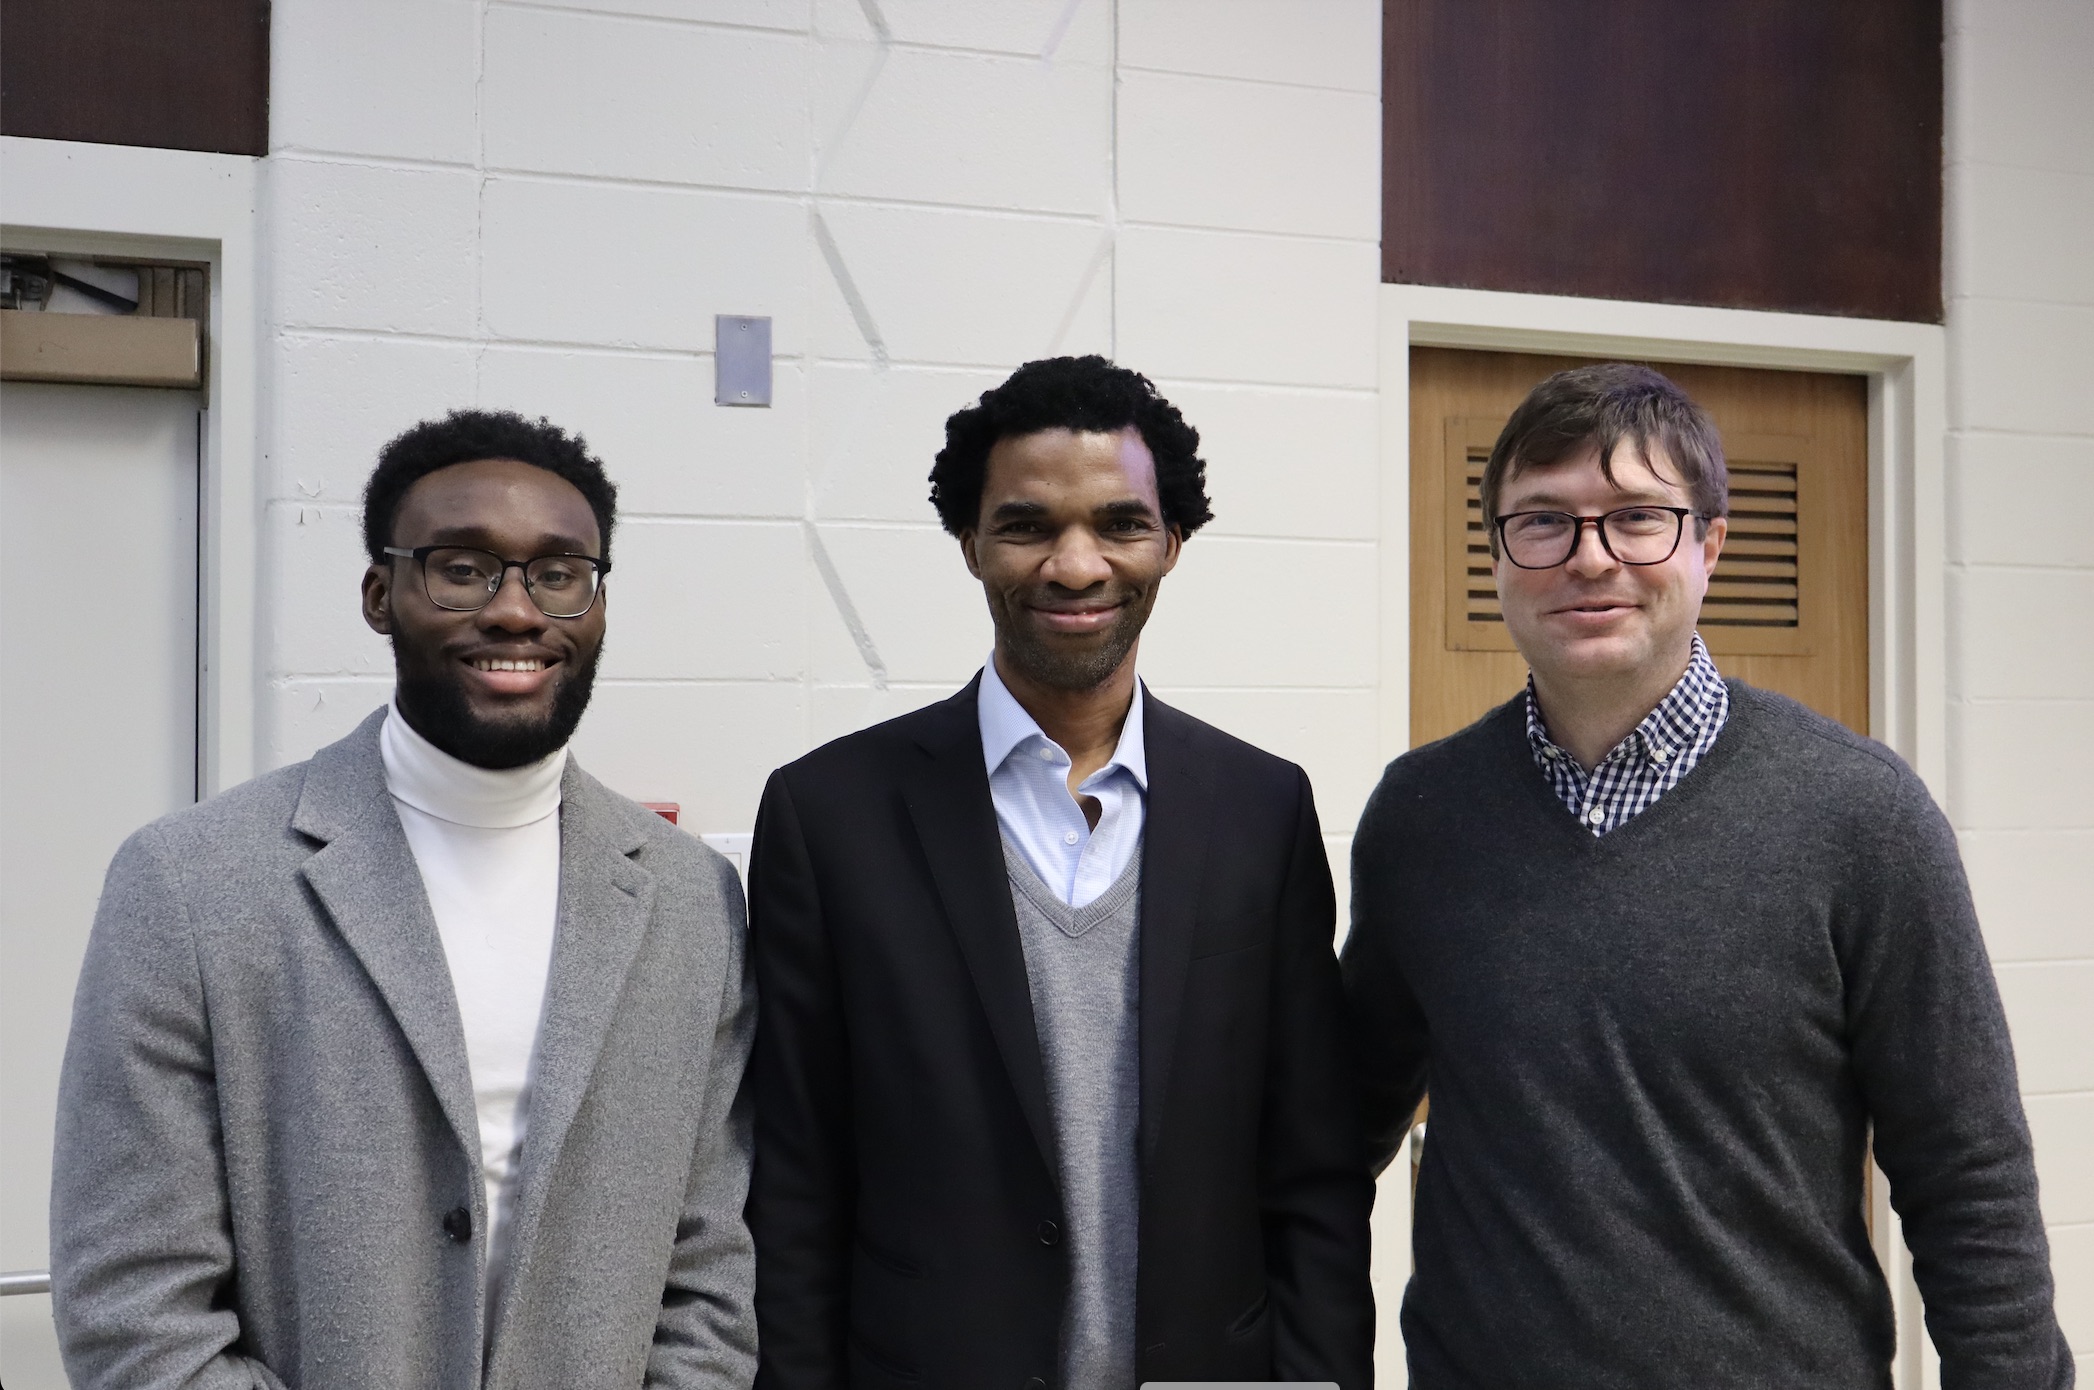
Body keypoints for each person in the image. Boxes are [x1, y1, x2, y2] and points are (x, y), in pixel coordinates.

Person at [1342, 363, 2073, 1387]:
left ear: (1710, 545)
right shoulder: (1420, 821)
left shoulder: (1861, 818)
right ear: (1498, 556)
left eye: (1637, 518)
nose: (1589, 559)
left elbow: (1970, 1177)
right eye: (1542, 522)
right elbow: (1331, 1134)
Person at [50, 410, 758, 1389]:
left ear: (596, 603)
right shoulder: (188, 883)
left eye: (559, 573)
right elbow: (134, 1307)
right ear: (381, 594)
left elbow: (709, 1267)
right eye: (461, 567)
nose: (516, 611)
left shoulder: (692, 902)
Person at [747, 356, 1373, 1389]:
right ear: (971, 543)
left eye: (1121, 524)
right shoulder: (830, 816)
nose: (1076, 565)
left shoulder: (1263, 810)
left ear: (1172, 543)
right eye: (1029, 524)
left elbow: (1311, 1173)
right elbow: (796, 1185)